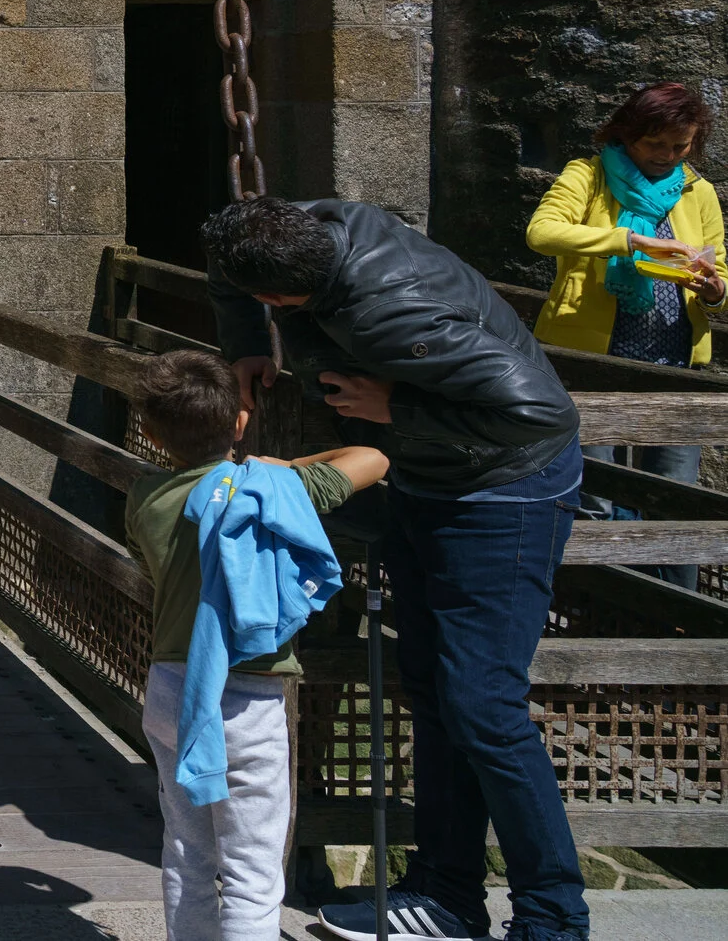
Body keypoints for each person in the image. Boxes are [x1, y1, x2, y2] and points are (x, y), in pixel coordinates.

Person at [199, 197, 588, 941]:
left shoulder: (394, 318)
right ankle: (446, 897)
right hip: (430, 477)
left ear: (285, 294)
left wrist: (394, 404)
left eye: (264, 308)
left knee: (484, 708)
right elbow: (228, 272)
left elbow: (543, 415)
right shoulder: (315, 222)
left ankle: (554, 919)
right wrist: (249, 341)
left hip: (504, 489)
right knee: (436, 695)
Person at [128, 350, 388, 941]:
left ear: (149, 432)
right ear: (240, 423)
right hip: (249, 696)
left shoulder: (144, 497)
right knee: (252, 867)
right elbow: (372, 457)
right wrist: (285, 465)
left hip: (171, 688)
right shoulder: (274, 487)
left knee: (188, 852)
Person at [526, 81, 723, 589]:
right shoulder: (588, 176)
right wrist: (627, 239)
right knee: (594, 492)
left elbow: (720, 265)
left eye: (680, 146)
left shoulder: (695, 190)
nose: (667, 156)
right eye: (655, 143)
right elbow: (542, 233)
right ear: (628, 134)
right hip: (595, 359)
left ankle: (679, 613)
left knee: (675, 495)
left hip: (674, 360)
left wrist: (714, 289)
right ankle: (599, 603)